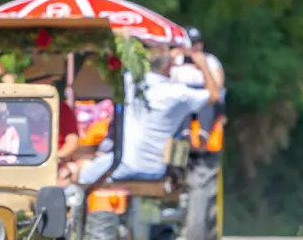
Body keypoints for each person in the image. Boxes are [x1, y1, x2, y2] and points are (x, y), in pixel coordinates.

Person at [77, 45, 222, 184]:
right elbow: (214, 95)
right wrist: (203, 64)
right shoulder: (178, 93)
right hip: (155, 169)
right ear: (168, 67)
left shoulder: (129, 82)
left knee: (77, 174)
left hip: (123, 164)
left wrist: (164, 57)